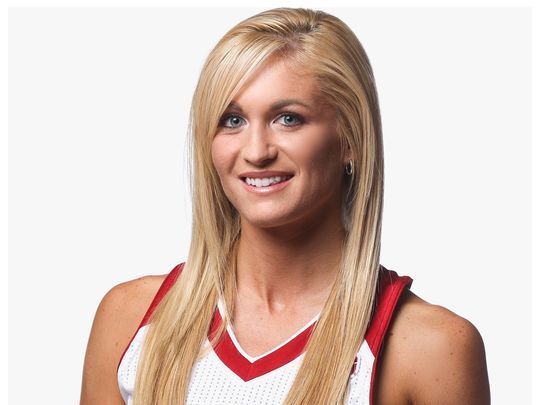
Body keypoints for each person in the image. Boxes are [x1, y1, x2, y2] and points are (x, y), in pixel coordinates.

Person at [80, 7, 490, 405]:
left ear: (351, 138)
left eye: (288, 119)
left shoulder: (431, 349)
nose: (256, 152)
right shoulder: (131, 319)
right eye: (232, 120)